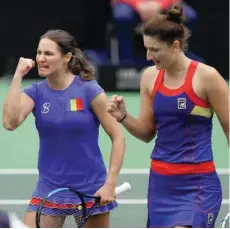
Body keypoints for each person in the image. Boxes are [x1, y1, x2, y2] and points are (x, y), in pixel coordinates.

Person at [107, 4, 229, 228]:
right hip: (161, 184)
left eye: (154, 50)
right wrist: (124, 117)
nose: (148, 56)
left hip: (198, 184)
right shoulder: (150, 78)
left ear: (175, 46)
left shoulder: (208, 77)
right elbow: (146, 133)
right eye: (146, 48)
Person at [2, 29, 126, 228]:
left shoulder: (89, 90)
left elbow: (118, 137)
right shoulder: (36, 92)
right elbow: (9, 122)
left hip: (90, 189)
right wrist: (17, 76)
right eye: (39, 52)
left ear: (67, 57)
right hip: (49, 188)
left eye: (48, 54)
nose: (41, 58)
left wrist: (109, 184)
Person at [111, 0, 204, 64]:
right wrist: (137, 4)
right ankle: (126, 64)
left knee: (188, 16)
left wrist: (160, 5)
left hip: (165, 4)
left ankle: (181, 61)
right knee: (122, 16)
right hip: (132, 4)